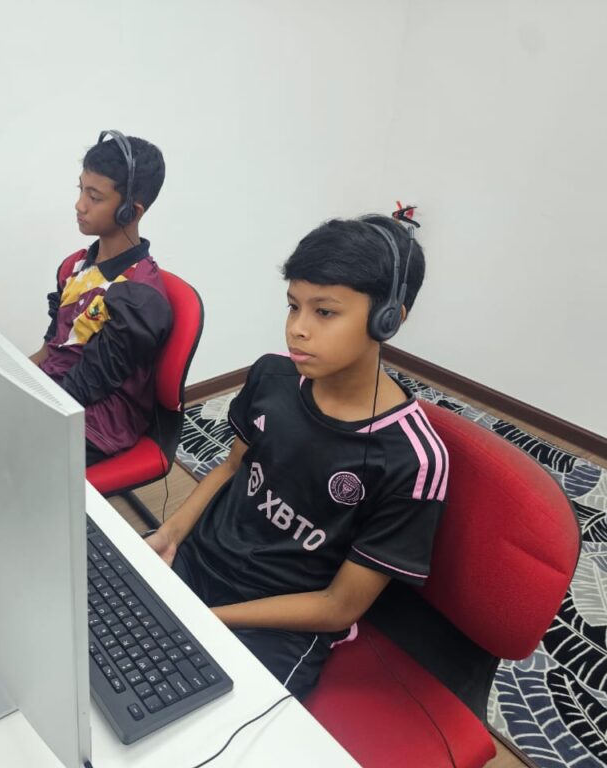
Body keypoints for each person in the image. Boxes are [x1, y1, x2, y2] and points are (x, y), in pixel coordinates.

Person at [145, 214, 448, 699]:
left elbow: (338, 606)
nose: (297, 330)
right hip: (198, 559)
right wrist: (169, 534)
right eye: (293, 307)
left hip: (278, 623)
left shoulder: (412, 460)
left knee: (187, 714)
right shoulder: (273, 376)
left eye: (324, 312)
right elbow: (231, 467)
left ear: (388, 319)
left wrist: (207, 619)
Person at [32, 131, 171, 466]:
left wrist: (24, 410)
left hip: (100, 419)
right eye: (81, 189)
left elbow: (88, 385)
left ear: (129, 212)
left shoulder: (136, 298)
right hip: (58, 389)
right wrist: (12, 375)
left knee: (3, 446)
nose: (79, 205)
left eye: (94, 197)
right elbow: (52, 346)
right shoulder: (74, 266)